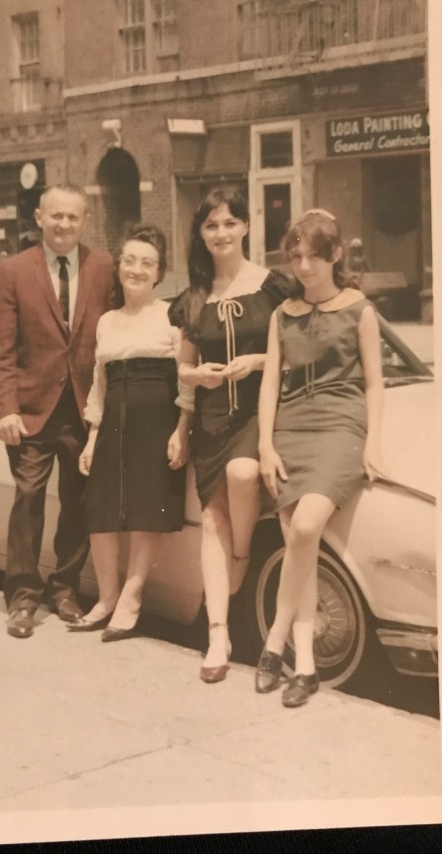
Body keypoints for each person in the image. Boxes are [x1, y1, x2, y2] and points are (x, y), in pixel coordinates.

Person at [256, 209, 385, 706]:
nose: (304, 266)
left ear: (335, 256)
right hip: (291, 428)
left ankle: (273, 643)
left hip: (340, 426)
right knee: (297, 544)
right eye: (296, 257)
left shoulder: (360, 309)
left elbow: (374, 383)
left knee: (305, 531)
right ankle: (304, 666)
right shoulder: (281, 314)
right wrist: (266, 444)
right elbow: (270, 382)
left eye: (313, 256)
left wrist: (372, 442)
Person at [169, 187, 289, 683]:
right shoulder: (194, 297)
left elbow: (295, 347)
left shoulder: (272, 287)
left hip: (260, 415)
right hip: (211, 419)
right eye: (210, 225)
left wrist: (259, 360)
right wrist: (199, 378)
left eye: (228, 223)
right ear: (201, 234)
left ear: (245, 227)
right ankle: (217, 634)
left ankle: (241, 558)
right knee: (213, 518)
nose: (220, 233)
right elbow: (183, 366)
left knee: (243, 473)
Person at [0, 183, 113, 638]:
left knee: (79, 503)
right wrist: (5, 408)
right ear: (39, 217)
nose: (63, 225)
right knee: (28, 500)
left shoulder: (103, 267)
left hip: (82, 409)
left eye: (72, 218)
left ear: (84, 220)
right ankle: (22, 597)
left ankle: (64, 590)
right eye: (55, 216)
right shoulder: (14, 270)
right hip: (31, 411)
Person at [68, 224, 193, 641]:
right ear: (118, 267)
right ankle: (105, 598)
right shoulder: (106, 321)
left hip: (156, 423)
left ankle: (131, 598)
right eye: (130, 261)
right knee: (101, 511)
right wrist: (91, 436)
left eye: (148, 263)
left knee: (146, 511)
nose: (137, 270)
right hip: (112, 427)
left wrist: (181, 429)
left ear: (159, 273)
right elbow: (99, 383)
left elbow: (185, 380)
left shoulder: (172, 315)